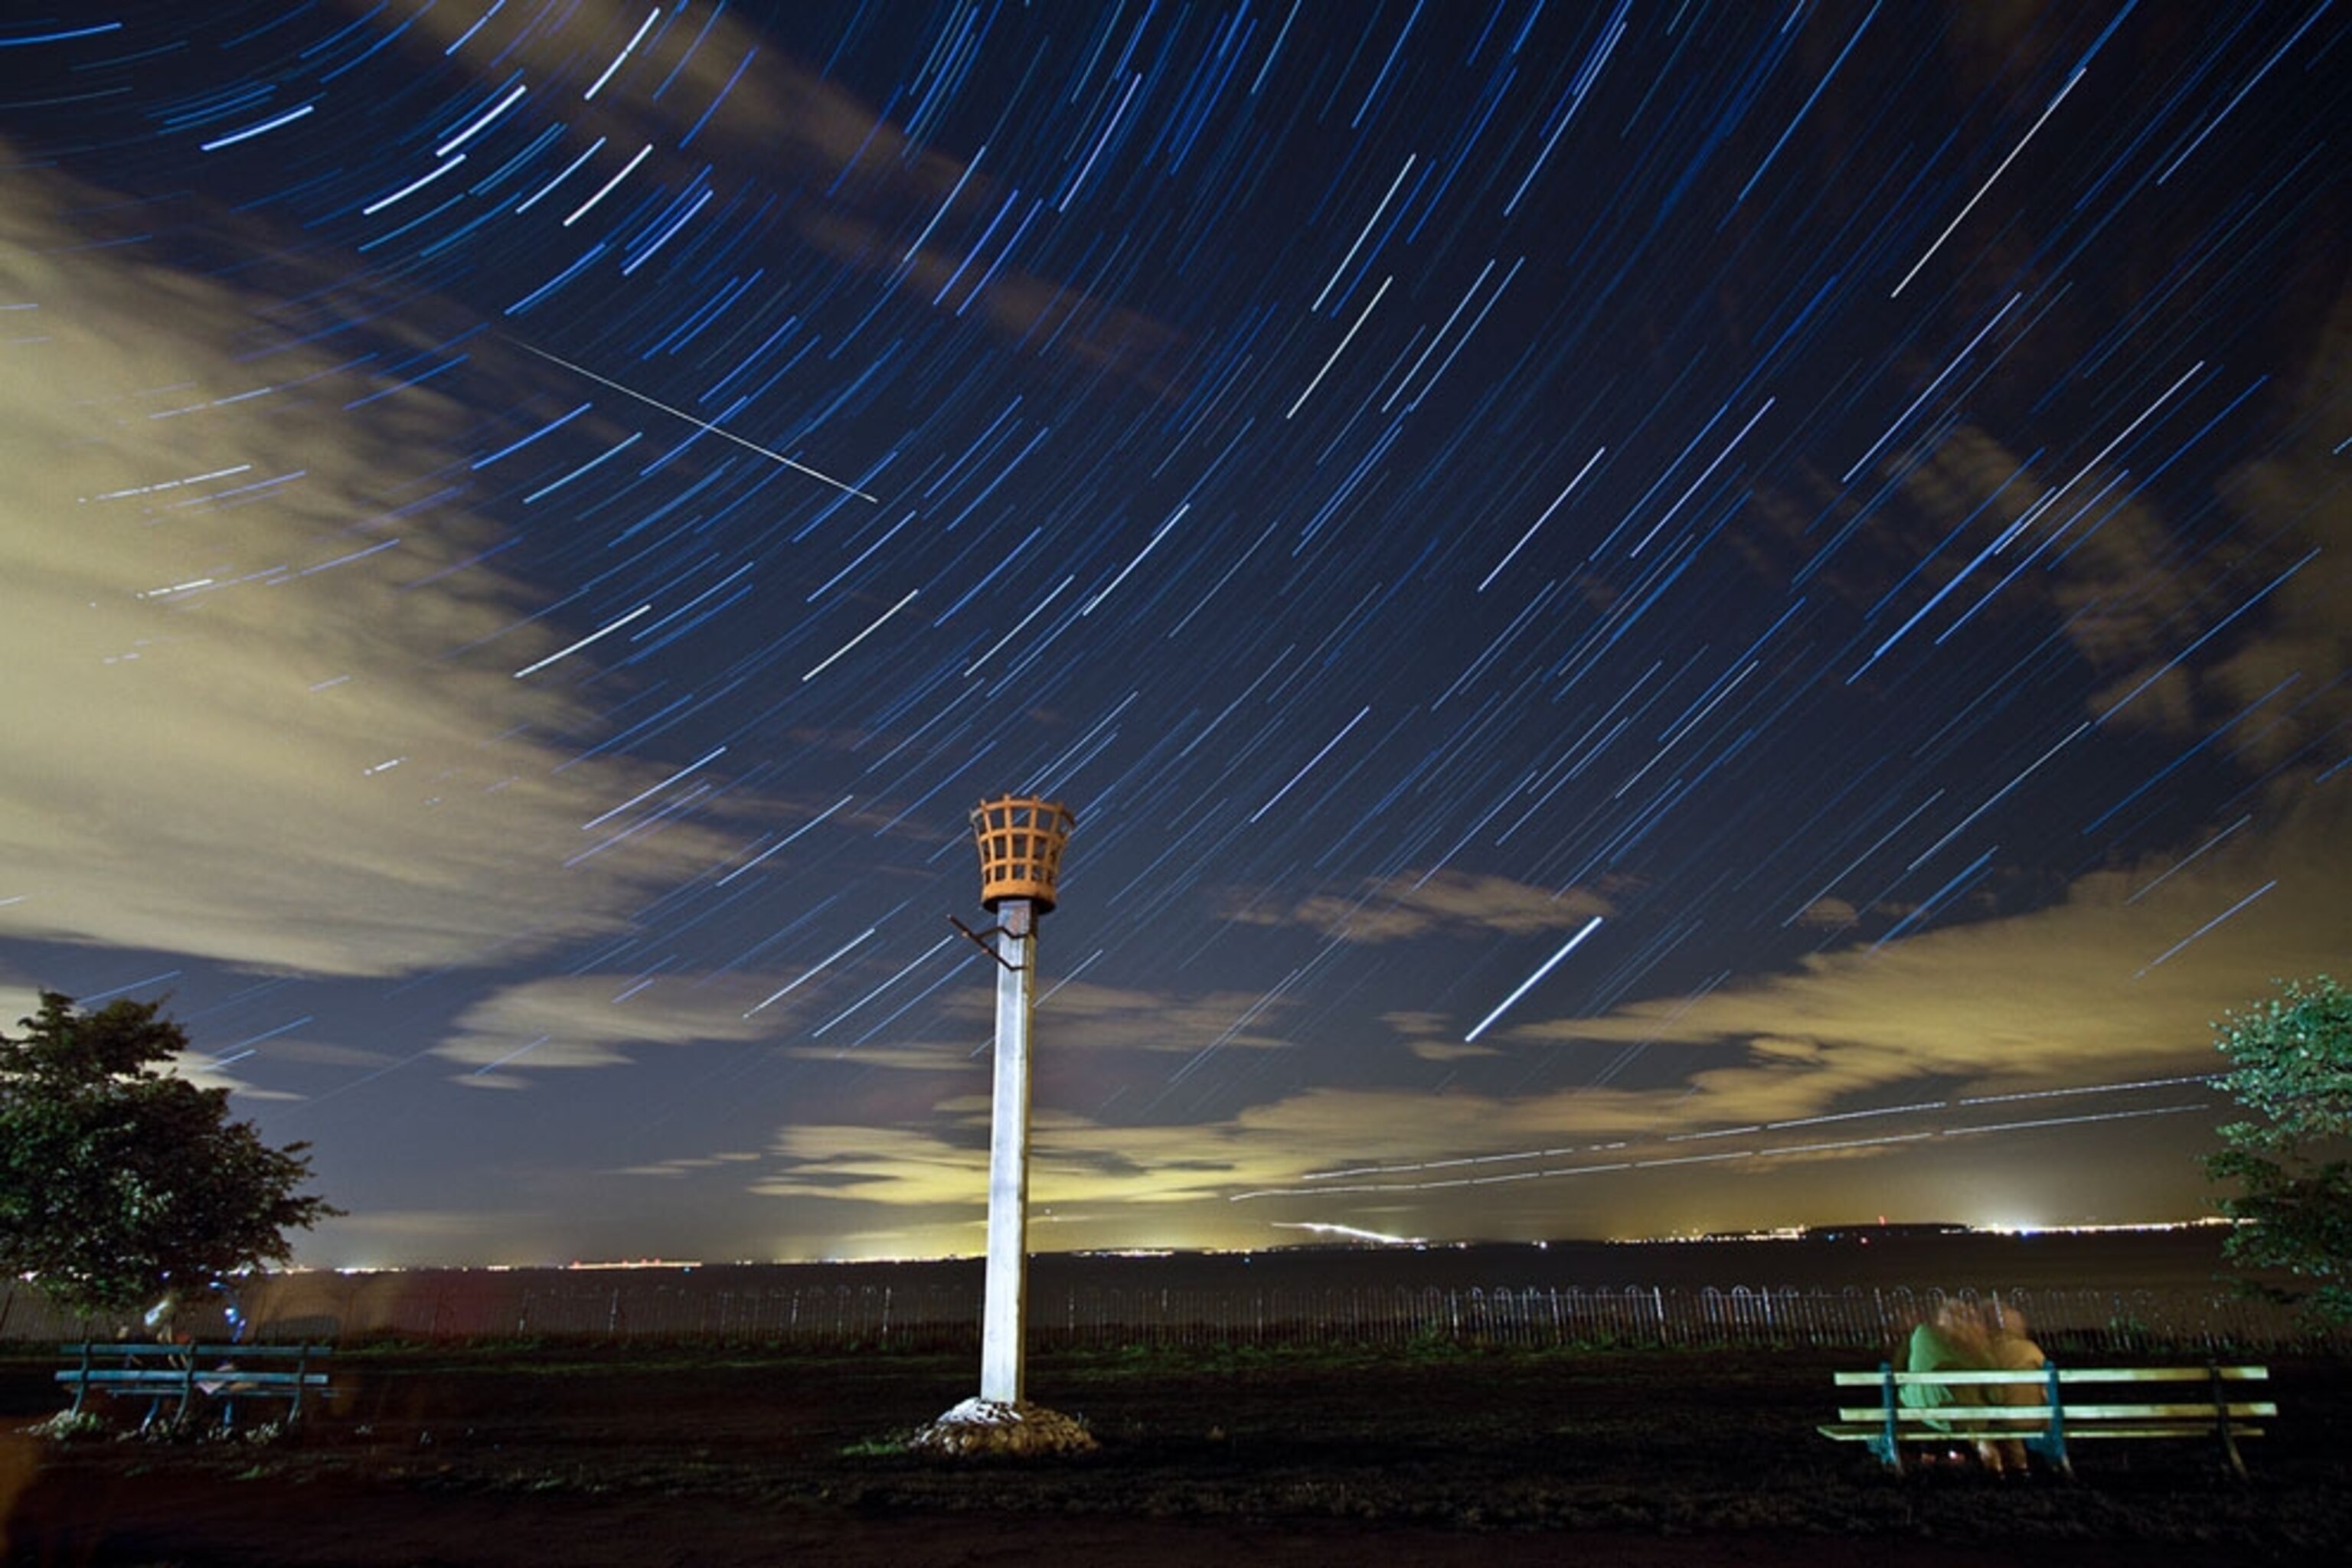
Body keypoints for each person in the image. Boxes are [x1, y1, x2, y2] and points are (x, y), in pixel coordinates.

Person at [1900, 1298, 1991, 1465]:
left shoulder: (1923, 1335)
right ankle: (1963, 1458)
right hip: (1968, 1419)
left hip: (1928, 1413)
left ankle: (1928, 1458)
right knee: (1960, 1411)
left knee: (1924, 1400)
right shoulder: (1976, 1348)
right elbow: (1995, 1394)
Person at [1980, 1301, 2050, 1474]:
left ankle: (2000, 1466)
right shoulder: (2030, 1349)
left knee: (1989, 1418)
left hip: (2002, 1420)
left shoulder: (1984, 1351)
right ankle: (2019, 1466)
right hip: (2036, 1418)